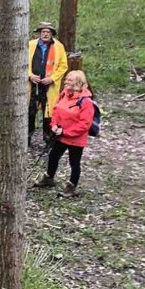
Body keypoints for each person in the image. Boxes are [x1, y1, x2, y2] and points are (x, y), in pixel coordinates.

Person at [33, 70, 94, 198]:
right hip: (60, 135)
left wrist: (66, 131)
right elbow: (56, 110)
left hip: (75, 139)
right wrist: (54, 125)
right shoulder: (64, 94)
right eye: (66, 79)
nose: (66, 82)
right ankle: (49, 178)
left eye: (69, 80)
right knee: (53, 156)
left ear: (78, 82)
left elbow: (85, 124)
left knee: (74, 163)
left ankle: (71, 187)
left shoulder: (86, 102)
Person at [28, 21, 68, 143]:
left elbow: (63, 66)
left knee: (49, 113)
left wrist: (52, 78)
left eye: (48, 32)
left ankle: (48, 139)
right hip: (32, 85)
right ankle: (27, 137)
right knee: (30, 112)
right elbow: (23, 63)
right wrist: (30, 75)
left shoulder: (58, 47)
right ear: (39, 33)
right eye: (43, 32)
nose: (45, 34)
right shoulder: (30, 45)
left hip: (49, 86)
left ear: (51, 34)